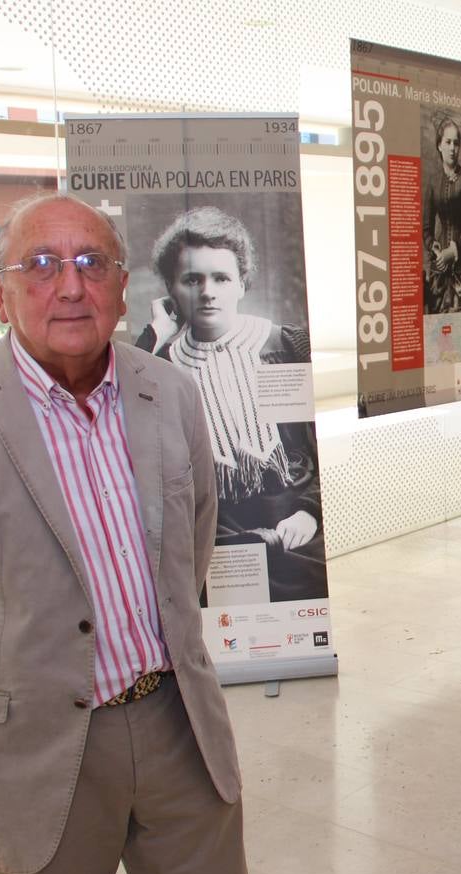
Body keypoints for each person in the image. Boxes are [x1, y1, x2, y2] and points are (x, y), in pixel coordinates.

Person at [0, 193, 248, 874]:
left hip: (177, 727)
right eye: (39, 265)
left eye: (92, 263)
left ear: (123, 288)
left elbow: (193, 545)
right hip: (31, 749)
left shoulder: (172, 394)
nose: (70, 286)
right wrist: (0, 686)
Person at [137, 206, 327, 604]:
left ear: (242, 283)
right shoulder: (161, 367)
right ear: (172, 291)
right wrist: (154, 334)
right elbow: (120, 418)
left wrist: (309, 513)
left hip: (294, 526)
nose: (208, 291)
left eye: (221, 278)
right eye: (192, 279)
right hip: (214, 536)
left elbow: (314, 449)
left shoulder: (285, 346)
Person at [423, 114, 461, 314]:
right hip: (439, 265)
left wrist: (453, 251)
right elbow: (426, 228)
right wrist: (434, 246)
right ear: (439, 145)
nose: (452, 148)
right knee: (438, 333)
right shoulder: (432, 182)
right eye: (447, 142)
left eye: (456, 143)